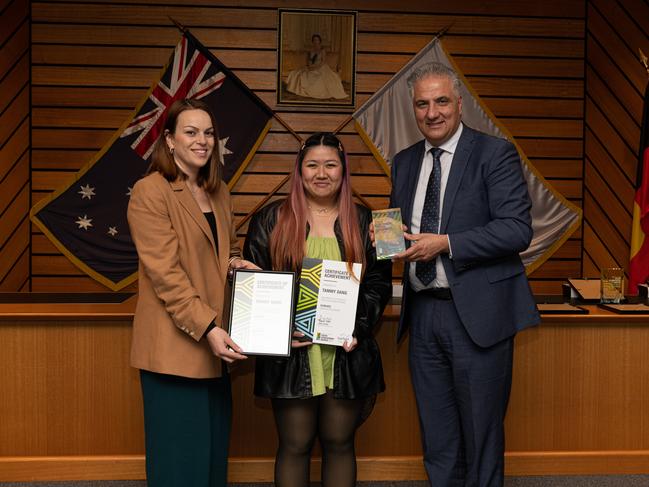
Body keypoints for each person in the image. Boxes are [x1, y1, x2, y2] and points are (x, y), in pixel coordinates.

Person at [388, 62, 541, 486]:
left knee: (481, 434)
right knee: (437, 436)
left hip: (477, 314)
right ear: (412, 110)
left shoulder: (494, 153)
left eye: (441, 101)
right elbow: (404, 232)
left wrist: (447, 243)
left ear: (459, 103)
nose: (432, 112)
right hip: (422, 316)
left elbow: (517, 229)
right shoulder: (403, 162)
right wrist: (384, 235)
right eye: (422, 104)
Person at [244, 132, 391, 487]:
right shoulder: (268, 220)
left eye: (330, 164)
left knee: (340, 443)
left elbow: (379, 285)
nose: (320, 173)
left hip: (345, 352)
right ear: (299, 170)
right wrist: (280, 329)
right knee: (294, 444)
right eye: (312, 164)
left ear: (343, 171)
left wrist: (358, 327)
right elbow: (256, 289)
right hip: (293, 353)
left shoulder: (369, 220)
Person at [127, 98, 256, 487]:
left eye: (209, 133)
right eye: (191, 132)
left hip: (214, 349)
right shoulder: (150, 191)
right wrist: (210, 328)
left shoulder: (217, 191)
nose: (203, 141)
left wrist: (239, 265)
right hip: (177, 349)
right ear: (169, 140)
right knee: (179, 466)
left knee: (212, 459)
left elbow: (224, 252)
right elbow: (166, 275)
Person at [286, 34, 348, 100]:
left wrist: (315, 68)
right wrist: (310, 66)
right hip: (312, 67)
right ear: (313, 41)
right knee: (299, 74)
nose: (316, 41)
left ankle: (314, 91)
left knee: (319, 78)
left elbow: (323, 62)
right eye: (314, 40)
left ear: (319, 41)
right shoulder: (311, 51)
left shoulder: (322, 50)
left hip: (321, 67)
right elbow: (309, 61)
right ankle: (298, 90)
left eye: (317, 40)